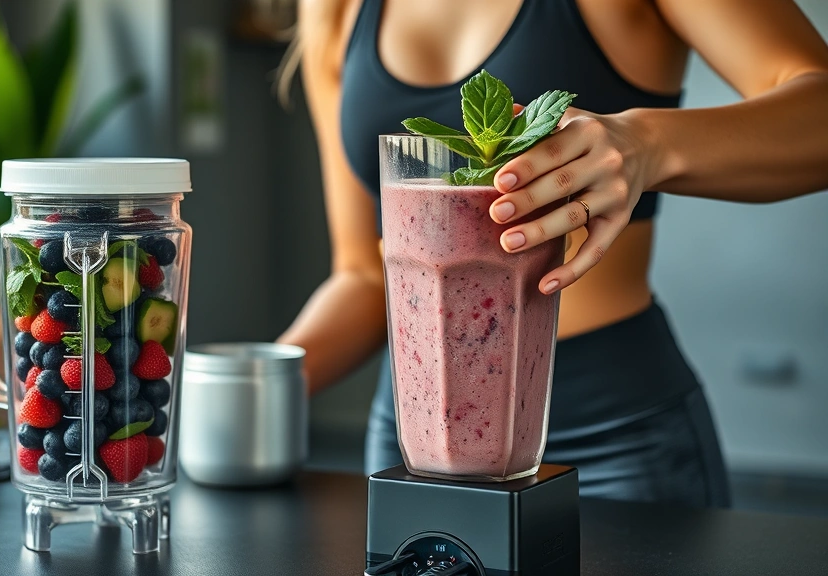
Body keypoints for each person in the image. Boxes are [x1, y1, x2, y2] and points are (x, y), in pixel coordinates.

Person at [274, 0, 828, 507]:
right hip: (415, 441)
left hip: (613, 442)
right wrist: (248, 387)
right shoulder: (333, 8)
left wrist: (648, 143)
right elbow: (367, 276)